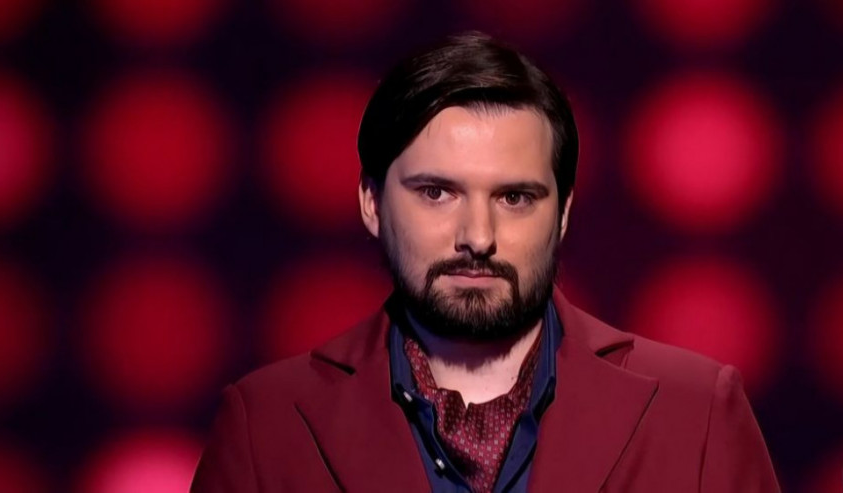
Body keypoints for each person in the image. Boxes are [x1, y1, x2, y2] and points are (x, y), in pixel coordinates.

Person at [191, 31, 780, 493]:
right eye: (437, 193)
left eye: (514, 198)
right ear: (371, 202)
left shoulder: (697, 412)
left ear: (564, 213)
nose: (478, 236)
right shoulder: (265, 424)